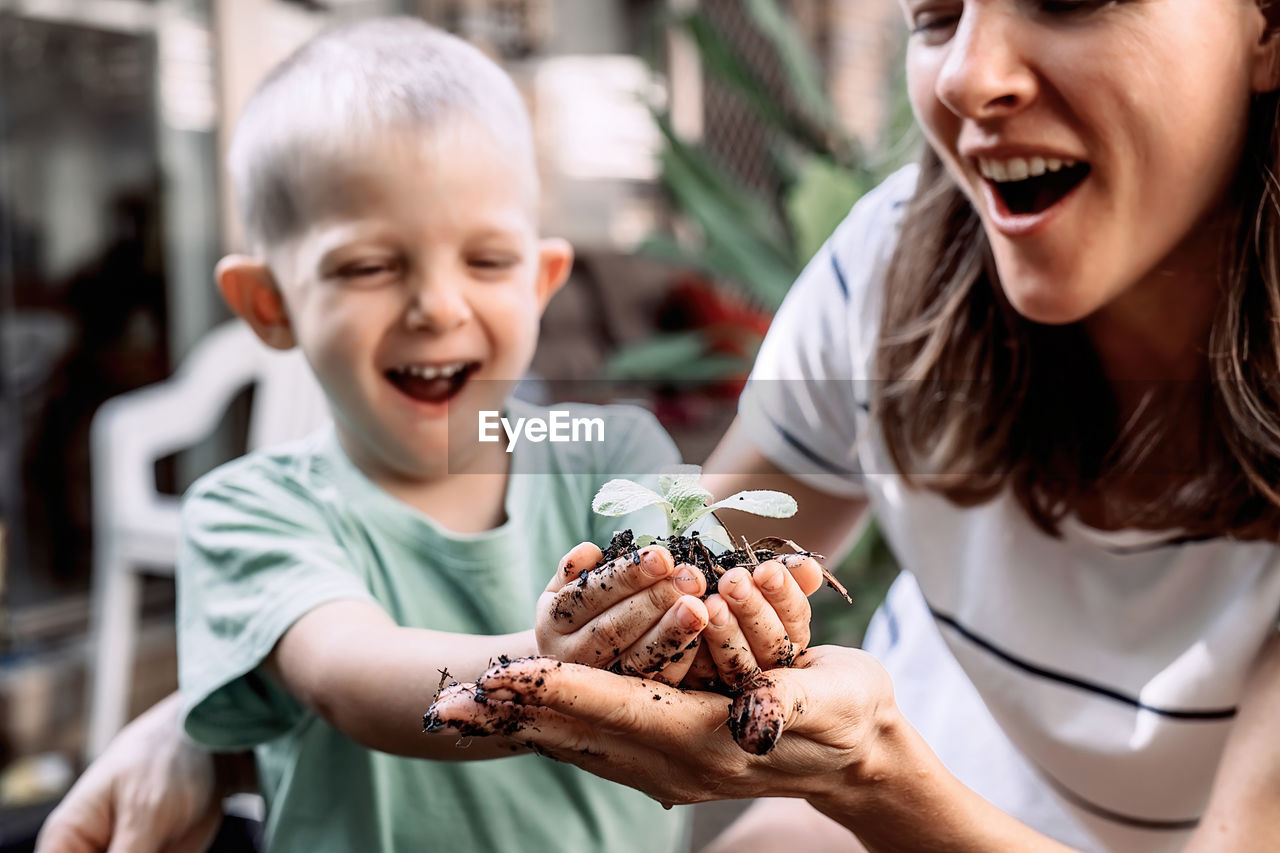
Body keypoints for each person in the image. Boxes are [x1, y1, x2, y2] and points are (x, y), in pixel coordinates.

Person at [426, 1, 1280, 851]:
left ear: (1267, 28)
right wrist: (622, 624)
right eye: (936, 17)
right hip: (936, 764)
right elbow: (704, 540)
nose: (967, 77)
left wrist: (865, 771)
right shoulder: (896, 262)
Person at [37, 17, 820, 853]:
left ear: (541, 279)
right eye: (370, 266)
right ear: (271, 305)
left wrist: (746, 621)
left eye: (486, 261)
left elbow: (708, 603)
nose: (439, 305)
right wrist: (557, 659)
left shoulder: (615, 455)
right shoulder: (251, 511)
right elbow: (349, 673)